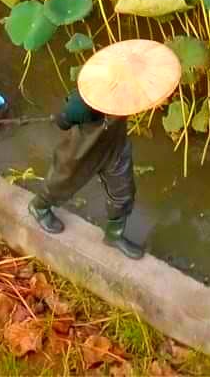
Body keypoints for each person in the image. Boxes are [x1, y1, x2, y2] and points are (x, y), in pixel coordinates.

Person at [29, 39, 180, 259]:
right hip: (83, 150)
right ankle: (39, 207)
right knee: (62, 181)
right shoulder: (83, 102)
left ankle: (114, 234)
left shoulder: (130, 94)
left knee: (123, 192)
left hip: (115, 148)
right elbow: (63, 123)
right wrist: (65, 115)